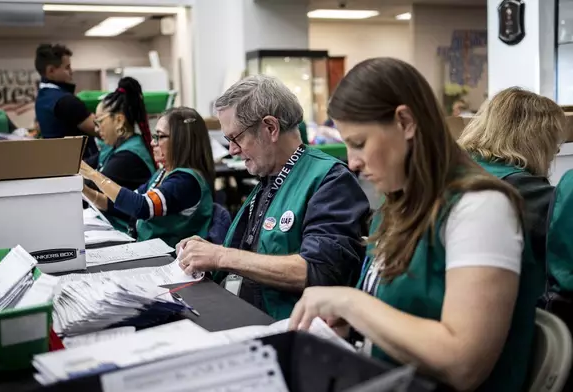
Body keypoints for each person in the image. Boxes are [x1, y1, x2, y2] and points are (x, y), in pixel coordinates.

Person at [287, 58, 541, 392]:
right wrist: (353, 325)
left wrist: (351, 303)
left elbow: (463, 362)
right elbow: (405, 312)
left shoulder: (481, 207)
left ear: (405, 122)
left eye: (360, 143)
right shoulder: (400, 204)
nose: (352, 162)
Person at [177, 75, 370, 320]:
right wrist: (210, 253)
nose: (232, 150)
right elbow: (250, 251)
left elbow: (320, 270)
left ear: (270, 128)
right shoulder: (269, 179)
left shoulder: (329, 181)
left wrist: (221, 256)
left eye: (236, 138)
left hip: (281, 326)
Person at [459, 87, 564, 283]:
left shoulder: (461, 167)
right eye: (552, 140)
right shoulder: (522, 188)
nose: (556, 150)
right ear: (533, 140)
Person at [80, 107, 215, 247]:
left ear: (181, 140)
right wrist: (83, 189)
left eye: (159, 136)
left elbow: (141, 207)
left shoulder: (186, 182)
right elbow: (125, 204)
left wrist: (92, 174)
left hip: (171, 259)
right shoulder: (163, 173)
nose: (152, 143)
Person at [83, 77, 156, 232]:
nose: (97, 129)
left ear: (119, 120)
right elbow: (84, 166)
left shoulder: (129, 157)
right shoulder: (113, 147)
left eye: (100, 121)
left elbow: (90, 184)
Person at [34, 43, 98, 158]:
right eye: (67, 67)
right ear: (51, 71)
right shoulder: (66, 101)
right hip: (81, 165)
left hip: (58, 161)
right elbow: (101, 129)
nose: (71, 71)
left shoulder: (42, 97)